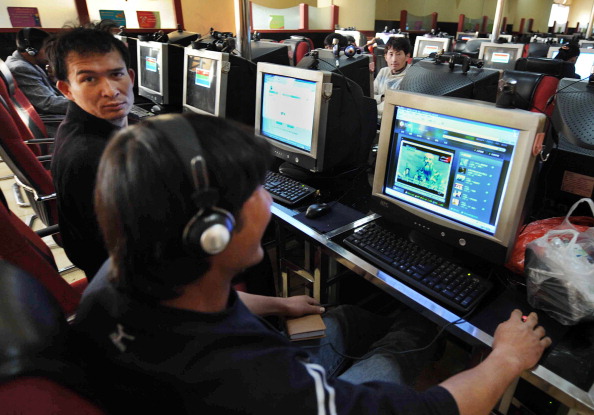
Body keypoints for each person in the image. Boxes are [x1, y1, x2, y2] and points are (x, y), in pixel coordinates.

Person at [72, 112, 551, 414]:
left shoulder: (116, 279)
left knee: (342, 318)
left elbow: (204, 308)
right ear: (212, 230)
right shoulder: (250, 382)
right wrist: (506, 357)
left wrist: (279, 305)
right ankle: (416, 339)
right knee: (408, 335)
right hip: (296, 392)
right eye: (258, 187)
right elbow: (431, 410)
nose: (266, 196)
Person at [45, 27, 135, 279]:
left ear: (130, 75)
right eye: (89, 79)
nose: (110, 90)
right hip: (130, 287)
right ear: (66, 90)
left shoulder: (85, 128)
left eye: (116, 74)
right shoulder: (92, 156)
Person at [5, 27, 69, 115]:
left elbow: (51, 92)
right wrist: (83, 104)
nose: (51, 54)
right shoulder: (21, 68)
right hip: (51, 122)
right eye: (47, 50)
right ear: (32, 51)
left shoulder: (30, 63)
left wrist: (55, 78)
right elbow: (48, 103)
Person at [374, 36, 412, 118]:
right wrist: (383, 98)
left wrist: (374, 106)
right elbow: (370, 96)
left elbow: (395, 105)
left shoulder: (412, 76)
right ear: (385, 56)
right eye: (391, 54)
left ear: (407, 56)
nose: (394, 59)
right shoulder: (383, 71)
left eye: (398, 54)